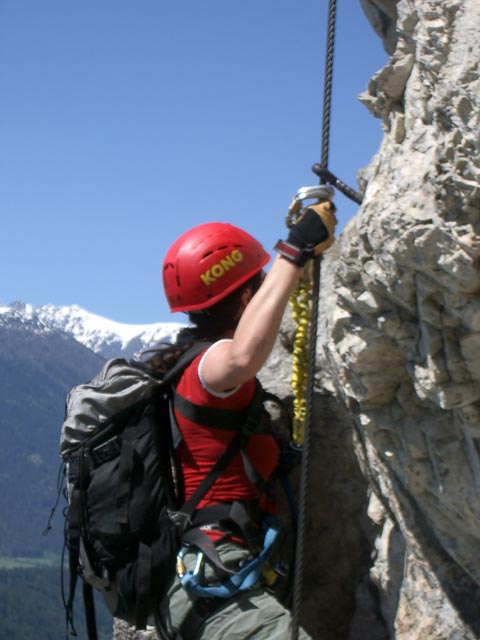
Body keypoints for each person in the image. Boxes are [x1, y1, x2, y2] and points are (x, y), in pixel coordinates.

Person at [149, 200, 337, 639]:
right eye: (262, 283)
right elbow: (243, 356)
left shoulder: (182, 369)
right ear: (248, 296)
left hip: (208, 580)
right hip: (216, 580)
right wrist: (294, 249)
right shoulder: (208, 367)